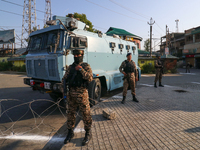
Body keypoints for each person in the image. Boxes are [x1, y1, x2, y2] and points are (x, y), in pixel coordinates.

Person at [62, 49, 93, 146]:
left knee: (86, 113)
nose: (76, 56)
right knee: (70, 114)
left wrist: (81, 69)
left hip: (82, 94)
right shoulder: (70, 67)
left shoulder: (86, 66)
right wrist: (64, 93)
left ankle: (88, 132)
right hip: (71, 94)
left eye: (78, 55)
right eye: (74, 55)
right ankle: (70, 132)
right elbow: (64, 79)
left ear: (82, 55)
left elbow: (90, 78)